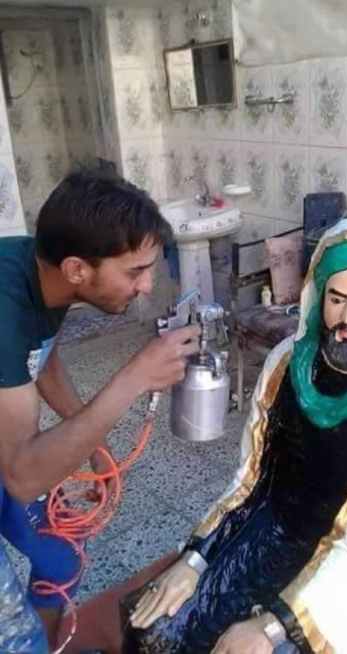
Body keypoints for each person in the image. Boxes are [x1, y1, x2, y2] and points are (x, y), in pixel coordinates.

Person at [124, 215, 347, 654]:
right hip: (272, 533)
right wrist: (196, 559)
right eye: (336, 299)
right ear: (319, 295)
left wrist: (275, 625)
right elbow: (250, 481)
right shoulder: (286, 364)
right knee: (155, 634)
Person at [0, 168, 200, 650]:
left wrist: (95, 443)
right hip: (12, 462)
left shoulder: (37, 268)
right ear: (77, 270)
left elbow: (39, 357)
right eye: (134, 271)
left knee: (60, 559)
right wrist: (134, 377)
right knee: (14, 633)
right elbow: (22, 477)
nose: (146, 286)